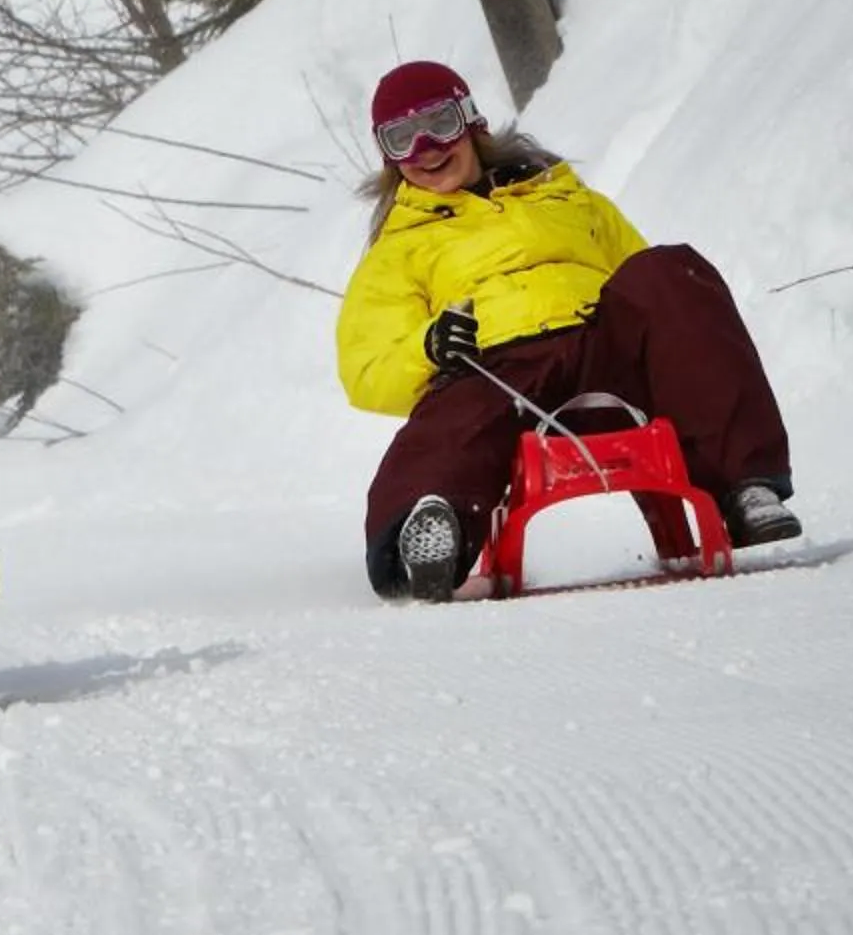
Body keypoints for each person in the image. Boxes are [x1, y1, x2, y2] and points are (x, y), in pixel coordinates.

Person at [336, 58, 799, 602]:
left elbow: (648, 292)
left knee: (671, 270)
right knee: (454, 414)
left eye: (438, 124)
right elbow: (365, 367)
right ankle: (427, 532)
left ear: (469, 121)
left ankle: (746, 486)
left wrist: (660, 304)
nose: (426, 149)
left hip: (605, 352)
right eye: (401, 138)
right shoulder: (398, 248)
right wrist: (430, 348)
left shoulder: (568, 198)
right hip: (502, 375)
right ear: (387, 155)